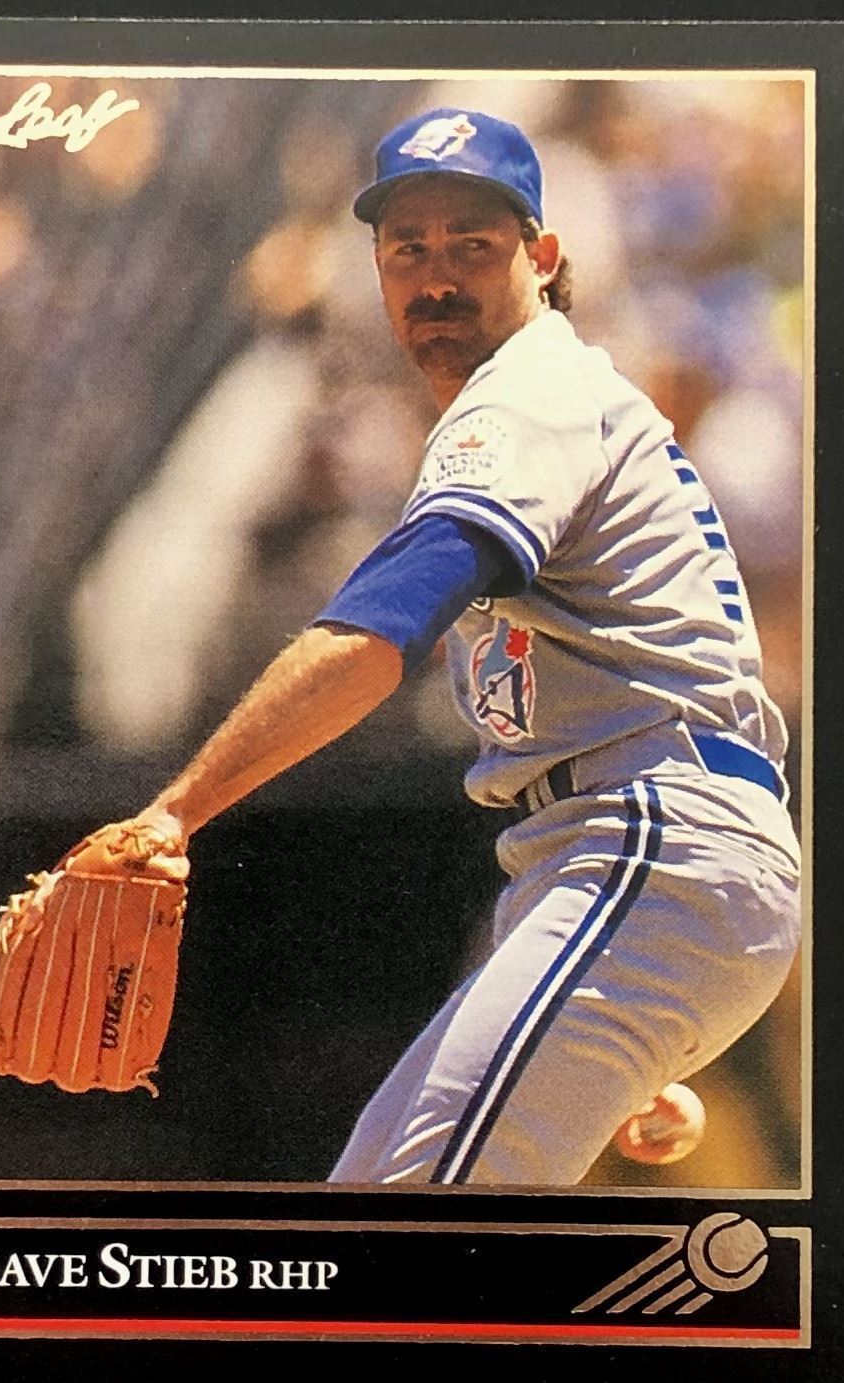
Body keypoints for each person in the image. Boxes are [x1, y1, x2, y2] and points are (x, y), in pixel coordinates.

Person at [129, 108, 801, 1185]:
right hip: (628, 865)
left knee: (404, 1229)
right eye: (409, 248)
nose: (437, 276)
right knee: (377, 1200)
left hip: (649, 847)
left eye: (473, 245)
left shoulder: (527, 395)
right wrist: (643, 1016)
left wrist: (174, 811)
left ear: (544, 257)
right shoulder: (542, 403)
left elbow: (376, 631)